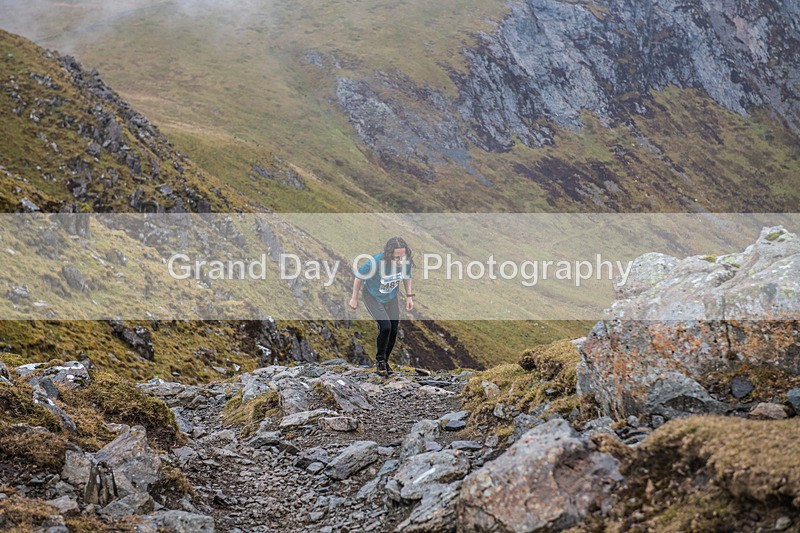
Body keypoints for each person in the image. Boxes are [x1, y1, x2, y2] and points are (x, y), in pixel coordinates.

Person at [348, 236, 415, 376]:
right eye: (397, 257)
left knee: (394, 330)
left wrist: (409, 296)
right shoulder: (376, 262)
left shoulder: (404, 261)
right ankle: (380, 361)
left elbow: (407, 276)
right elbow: (359, 276)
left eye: (402, 256)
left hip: (391, 296)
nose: (400, 260)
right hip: (372, 296)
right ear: (389, 254)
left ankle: (385, 361)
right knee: (385, 327)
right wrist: (354, 298)